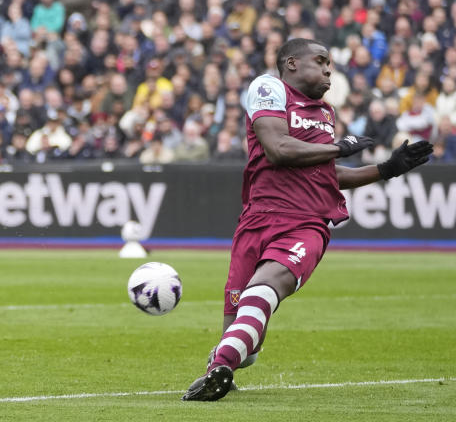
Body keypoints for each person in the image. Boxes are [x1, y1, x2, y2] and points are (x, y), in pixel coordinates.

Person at [183, 38, 433, 401]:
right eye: (320, 61)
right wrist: (339, 148)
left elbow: (327, 174)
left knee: (266, 286)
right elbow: (278, 149)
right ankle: (227, 361)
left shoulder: (327, 114)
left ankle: (218, 366)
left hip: (307, 222)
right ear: (291, 63)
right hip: (257, 218)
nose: (329, 69)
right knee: (246, 342)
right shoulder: (269, 88)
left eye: (330, 64)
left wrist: (385, 169)